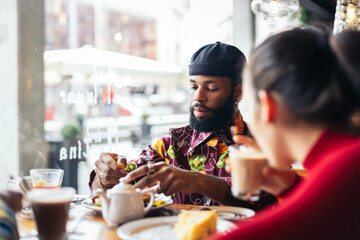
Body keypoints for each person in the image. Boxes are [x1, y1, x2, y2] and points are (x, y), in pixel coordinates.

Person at [209, 29, 360, 240]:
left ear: (268, 106)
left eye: (252, 108)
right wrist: (289, 186)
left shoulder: (347, 165)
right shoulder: (343, 158)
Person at [90, 42, 276, 208]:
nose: (198, 97)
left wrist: (199, 181)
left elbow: (268, 203)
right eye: (194, 87)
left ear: (238, 92)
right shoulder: (171, 143)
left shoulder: (263, 143)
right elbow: (117, 187)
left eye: (211, 88)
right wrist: (105, 178)